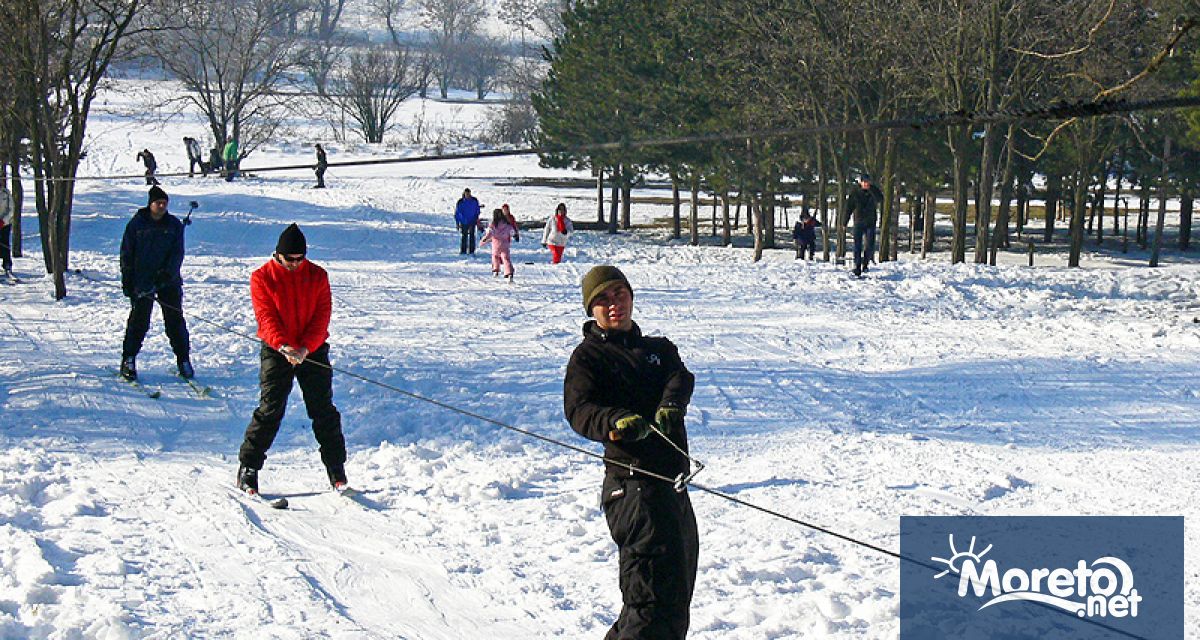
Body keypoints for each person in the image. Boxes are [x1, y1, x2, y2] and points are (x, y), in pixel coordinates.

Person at [564, 265, 698, 640]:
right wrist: (615, 420)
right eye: (603, 299)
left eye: (619, 294)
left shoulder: (658, 349)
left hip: (671, 486)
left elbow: (679, 377)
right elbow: (579, 410)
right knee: (650, 603)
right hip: (633, 489)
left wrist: (671, 405)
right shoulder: (588, 358)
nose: (614, 304)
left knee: (673, 595)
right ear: (591, 309)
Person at [237, 223, 348, 496]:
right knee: (270, 409)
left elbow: (322, 316)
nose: (296, 264)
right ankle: (249, 467)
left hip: (312, 349)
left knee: (323, 409)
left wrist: (306, 348)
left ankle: (336, 470)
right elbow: (265, 317)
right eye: (290, 259)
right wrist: (284, 346)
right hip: (277, 349)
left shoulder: (318, 275)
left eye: (300, 258)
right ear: (278, 254)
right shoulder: (262, 277)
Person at [119, 186, 192, 381]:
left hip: (168, 281)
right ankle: (128, 358)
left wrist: (167, 274)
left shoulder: (174, 225)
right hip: (142, 281)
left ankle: (183, 359)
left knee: (175, 321)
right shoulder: (136, 224)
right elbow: (126, 253)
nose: (161, 206)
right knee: (139, 321)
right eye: (158, 203)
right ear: (150, 204)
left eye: (164, 203)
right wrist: (127, 279)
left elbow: (177, 254)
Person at [844, 173, 883, 277]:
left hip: (870, 222)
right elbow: (849, 207)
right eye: (864, 182)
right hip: (859, 221)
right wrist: (845, 222)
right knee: (857, 245)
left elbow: (880, 199)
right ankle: (857, 266)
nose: (866, 184)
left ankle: (865, 263)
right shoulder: (855, 192)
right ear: (860, 182)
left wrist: (871, 190)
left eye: (867, 182)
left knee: (870, 245)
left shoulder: (873, 190)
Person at [480, 208, 516, 281]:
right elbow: (512, 232)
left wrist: (485, 239)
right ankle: (509, 273)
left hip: (496, 244)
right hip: (505, 244)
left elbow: (489, 233)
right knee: (506, 258)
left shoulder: (493, 224)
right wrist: (513, 235)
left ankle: (496, 270)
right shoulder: (507, 224)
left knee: (495, 257)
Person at [454, 188, 483, 255]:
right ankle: (463, 251)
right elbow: (457, 213)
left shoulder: (474, 200)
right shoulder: (460, 202)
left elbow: (477, 210)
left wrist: (476, 218)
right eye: (466, 194)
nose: (468, 195)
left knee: (472, 236)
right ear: (464, 194)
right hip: (464, 222)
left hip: (472, 221)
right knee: (464, 236)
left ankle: (472, 251)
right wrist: (457, 223)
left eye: (469, 193)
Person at [0, 182, 12, 280]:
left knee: (5, 243)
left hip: (5, 223)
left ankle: (7, 264)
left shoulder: (6, 193)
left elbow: (11, 209)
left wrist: (4, 221)